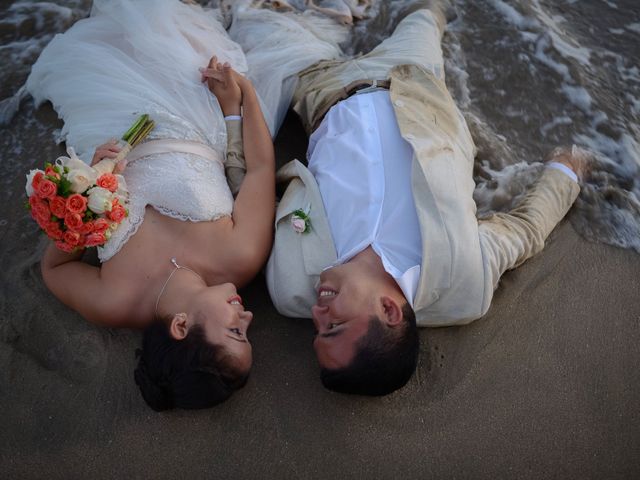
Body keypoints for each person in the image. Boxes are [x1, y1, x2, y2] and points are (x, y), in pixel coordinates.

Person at [229, 2, 587, 395]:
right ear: (389, 310)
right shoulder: (465, 281)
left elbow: (251, 199)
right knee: (426, 13)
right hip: (414, 81)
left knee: (247, 23)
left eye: (317, 329)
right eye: (333, 325)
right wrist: (568, 171)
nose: (316, 312)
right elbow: (525, 232)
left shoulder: (289, 286)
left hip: (321, 90)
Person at [25, 0, 282, 410]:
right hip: (191, 106)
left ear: (181, 326)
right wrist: (243, 93)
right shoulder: (241, 256)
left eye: (236, 333)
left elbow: (54, 267)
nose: (248, 318)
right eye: (246, 332)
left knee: (102, 32)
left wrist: (86, 194)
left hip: (107, 122)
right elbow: (259, 169)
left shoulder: (115, 303)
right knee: (164, 18)